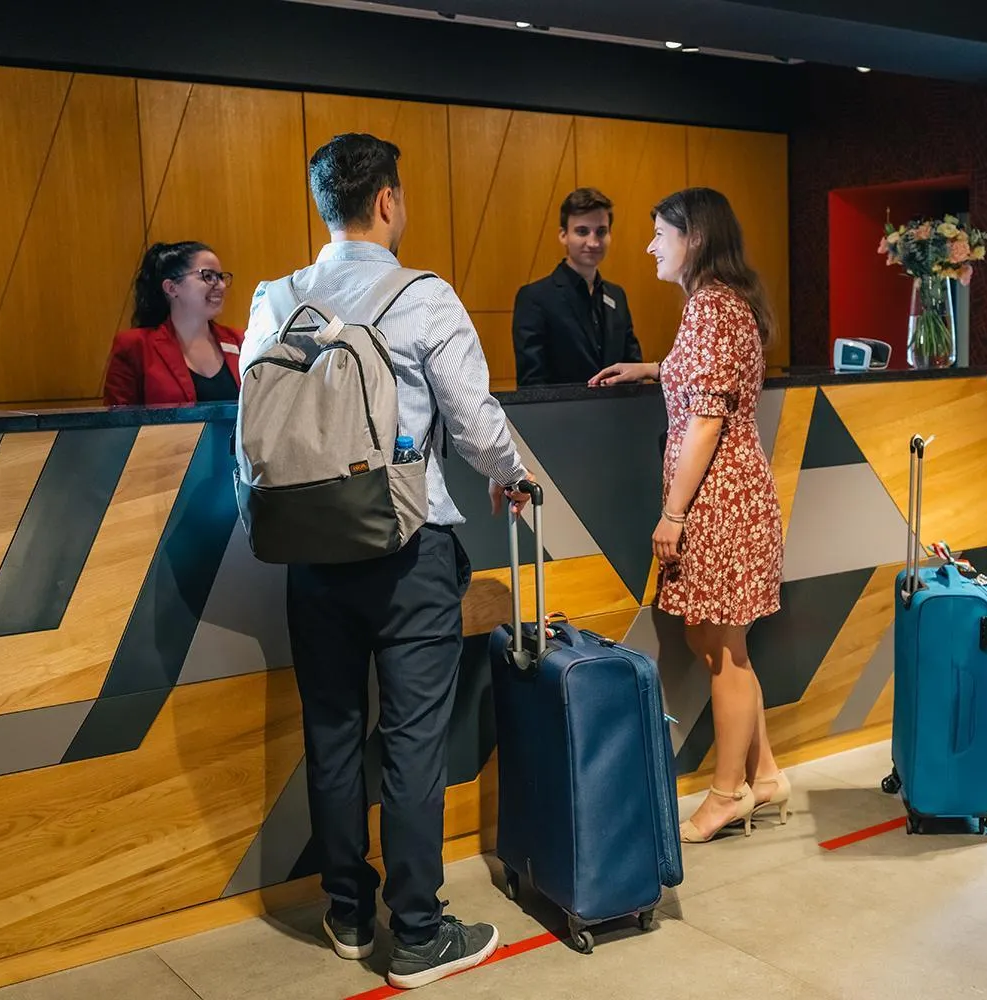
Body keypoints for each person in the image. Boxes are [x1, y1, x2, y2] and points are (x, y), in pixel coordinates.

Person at [241, 133, 533, 991]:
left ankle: (343, 907)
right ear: (390, 202)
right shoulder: (424, 296)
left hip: (304, 544)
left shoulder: (273, 300)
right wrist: (513, 479)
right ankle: (416, 931)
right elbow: (476, 426)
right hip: (410, 547)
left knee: (331, 730)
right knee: (411, 742)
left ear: (324, 207)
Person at [590, 188, 788, 843]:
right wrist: (651, 369)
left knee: (724, 649)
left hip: (718, 500)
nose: (649, 246)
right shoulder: (727, 303)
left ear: (694, 238)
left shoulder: (709, 307)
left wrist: (673, 513)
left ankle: (727, 795)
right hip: (734, 495)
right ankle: (766, 775)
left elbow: (706, 420)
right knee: (714, 641)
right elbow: (709, 383)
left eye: (660, 234)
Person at [511, 187, 645, 386]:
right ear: (563, 235)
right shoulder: (534, 298)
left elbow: (633, 369)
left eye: (601, 232)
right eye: (582, 231)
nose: (593, 242)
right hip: (562, 416)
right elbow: (533, 385)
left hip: (618, 414)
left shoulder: (617, 296)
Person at [102, 242, 243, 406]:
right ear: (171, 288)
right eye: (208, 276)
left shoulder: (241, 341)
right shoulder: (135, 347)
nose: (221, 285)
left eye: (220, 277)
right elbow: (117, 424)